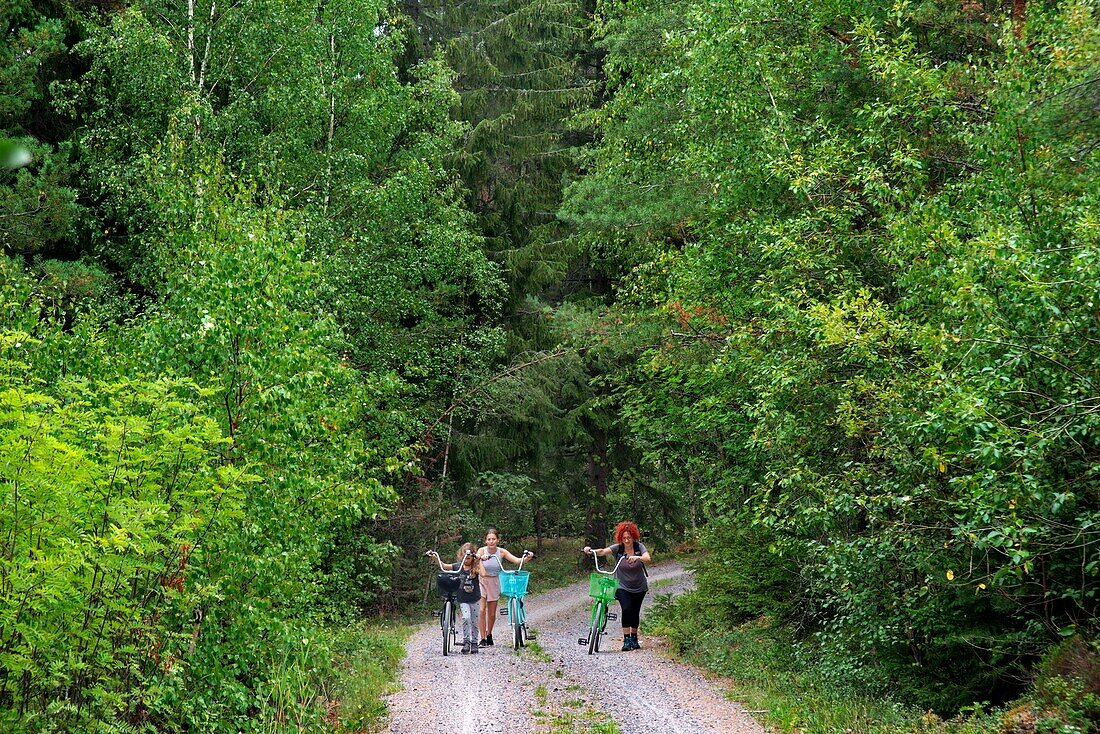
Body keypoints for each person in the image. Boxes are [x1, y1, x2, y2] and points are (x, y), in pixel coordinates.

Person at [584, 521, 651, 651]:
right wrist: (590, 551)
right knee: (626, 609)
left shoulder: (639, 547)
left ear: (633, 537)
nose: (626, 540)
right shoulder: (618, 548)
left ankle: (634, 638)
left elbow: (648, 558)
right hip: (622, 586)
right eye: (624, 538)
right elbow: (603, 551)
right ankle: (626, 639)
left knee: (635, 611)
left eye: (629, 537)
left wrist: (638, 558)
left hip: (639, 586)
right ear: (621, 538)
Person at [476, 528, 533, 647]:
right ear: (485, 541)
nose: (491, 541)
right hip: (482, 581)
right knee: (481, 610)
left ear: (498, 540)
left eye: (493, 539)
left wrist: (527, 557)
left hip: (495, 581)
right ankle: (482, 638)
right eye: (489, 539)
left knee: (491, 613)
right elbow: (477, 556)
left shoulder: (501, 552)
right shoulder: (482, 550)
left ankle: (489, 634)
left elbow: (517, 560)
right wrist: (481, 557)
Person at [431, 543, 483, 654]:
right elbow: (444, 566)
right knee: (466, 618)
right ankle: (466, 641)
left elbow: (484, 573)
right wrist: (435, 559)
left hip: (475, 599)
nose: (466, 560)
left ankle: (474, 642)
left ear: (472, 557)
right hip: (463, 598)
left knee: (474, 621)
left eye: (468, 558)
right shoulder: (458, 566)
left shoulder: (476, 567)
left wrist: (479, 561)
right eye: (464, 558)